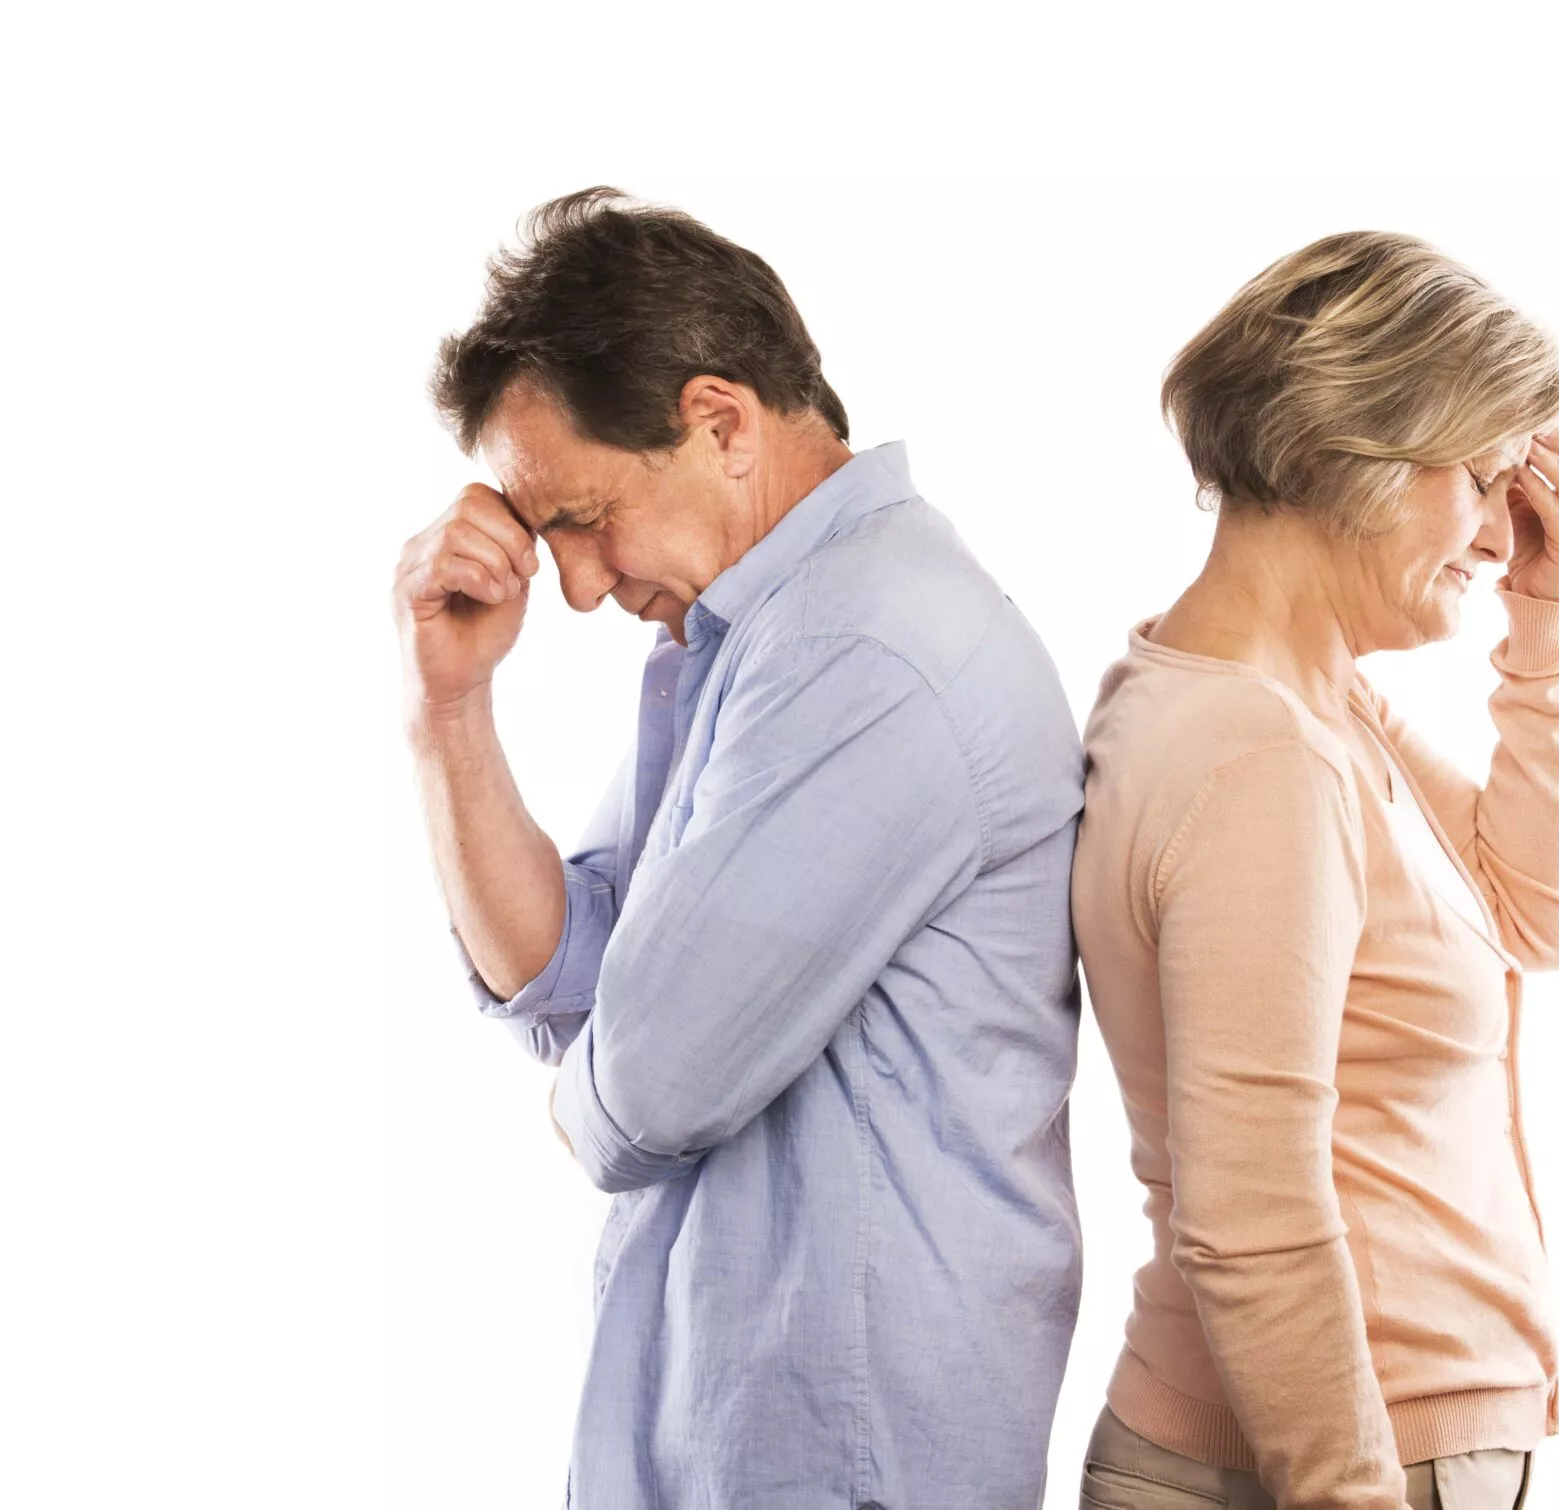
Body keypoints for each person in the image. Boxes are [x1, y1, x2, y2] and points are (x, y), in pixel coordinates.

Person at [391, 188, 1085, 1510]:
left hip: (844, 1466)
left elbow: (639, 1093)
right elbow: (574, 971)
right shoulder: (750, 640)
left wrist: (592, 1079)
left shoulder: (868, 649)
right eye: (551, 538)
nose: (579, 585)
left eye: (586, 516)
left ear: (720, 422)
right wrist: (448, 709)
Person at [1070, 233, 1559, 1510]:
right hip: (1345, 1456)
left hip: (1351, 1440)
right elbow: (1251, 1218)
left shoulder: (1301, 704)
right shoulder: (1262, 753)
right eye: (1480, 478)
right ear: (1352, 446)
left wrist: (1549, 622)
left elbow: (1539, 910)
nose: (1496, 530)